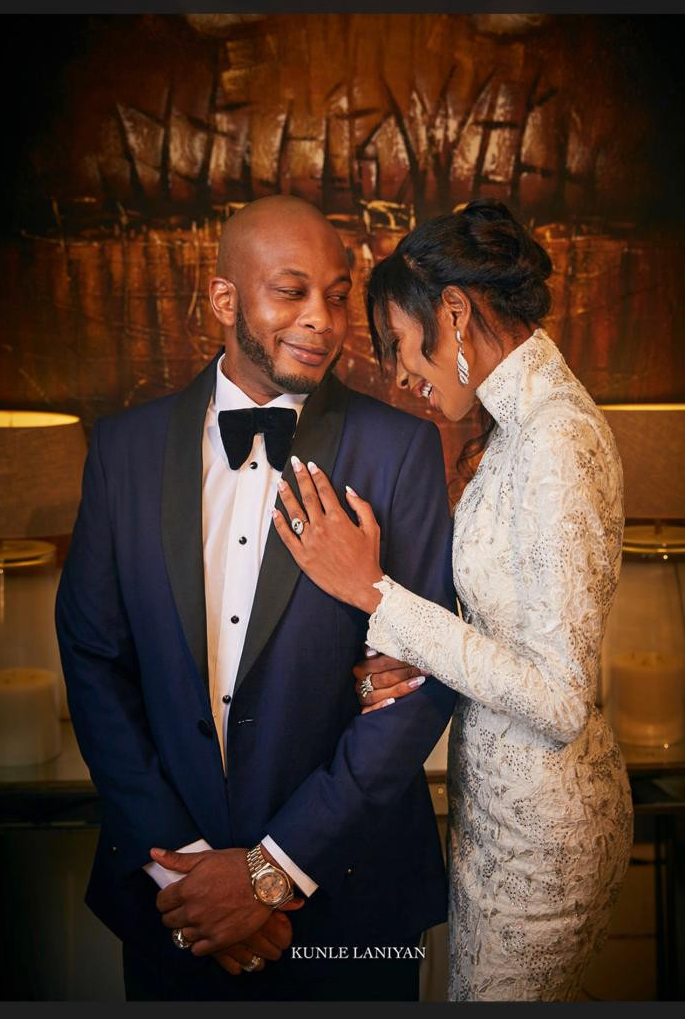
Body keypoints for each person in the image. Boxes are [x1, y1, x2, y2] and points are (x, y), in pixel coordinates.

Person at [55, 194, 459, 1002]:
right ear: (223, 298)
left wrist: (272, 871)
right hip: (175, 902)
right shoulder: (122, 450)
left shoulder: (401, 448)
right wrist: (186, 870)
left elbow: (419, 682)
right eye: (290, 291)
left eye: (336, 296)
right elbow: (95, 661)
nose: (322, 320)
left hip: (347, 896)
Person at [271, 198, 634, 1002]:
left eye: (400, 343)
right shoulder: (515, 429)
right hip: (494, 821)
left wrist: (373, 591)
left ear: (456, 312)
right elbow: (508, 626)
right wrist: (407, 653)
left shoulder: (555, 438)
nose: (400, 375)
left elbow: (559, 700)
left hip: (540, 843)